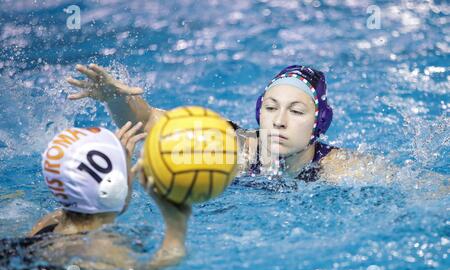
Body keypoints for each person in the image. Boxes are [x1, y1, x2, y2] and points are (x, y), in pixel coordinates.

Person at [66, 63, 394, 185]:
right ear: (258, 112)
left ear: (318, 122)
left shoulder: (336, 168)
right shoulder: (232, 145)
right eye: (270, 108)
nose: (278, 122)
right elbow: (150, 120)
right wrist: (114, 97)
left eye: (296, 112)